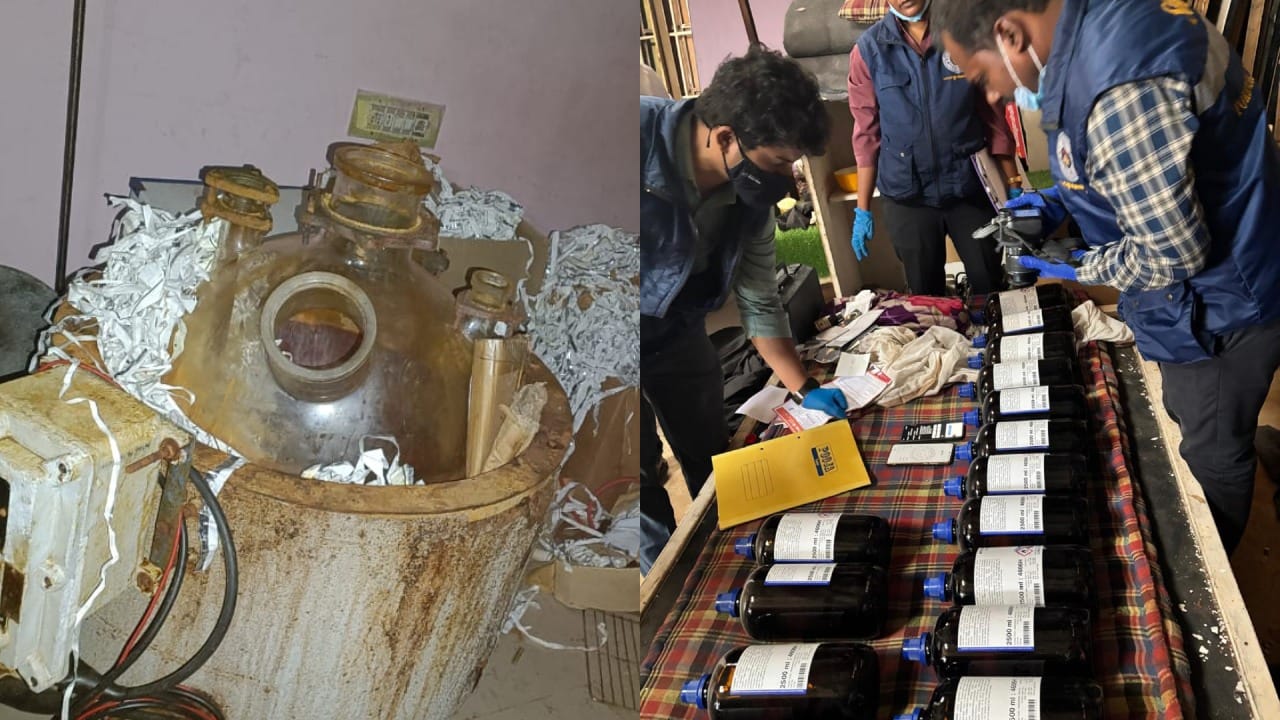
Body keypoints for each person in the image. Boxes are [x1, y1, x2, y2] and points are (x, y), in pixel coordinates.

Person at [934, 0, 1280, 553]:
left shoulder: (1117, 83)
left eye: (981, 77)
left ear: (1010, 35)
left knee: (1212, 452)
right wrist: (1059, 199)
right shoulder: (1113, 20)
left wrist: (1076, 263)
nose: (993, 95)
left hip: (1219, 310)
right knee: (1193, 415)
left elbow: (1172, 255)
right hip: (1224, 277)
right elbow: (1150, 159)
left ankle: (1215, 572)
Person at [640, 45, 846, 571]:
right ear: (726, 137)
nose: (786, 180)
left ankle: (728, 564)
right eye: (777, 162)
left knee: (713, 458)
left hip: (678, 325)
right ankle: (669, 585)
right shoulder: (630, 140)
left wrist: (805, 388)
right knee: (633, 489)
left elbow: (759, 297)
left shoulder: (749, 196)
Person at [847, 0, 1021, 296]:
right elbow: (866, 135)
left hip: (968, 189)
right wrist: (862, 210)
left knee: (990, 285)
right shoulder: (868, 50)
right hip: (908, 197)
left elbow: (994, 119)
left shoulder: (962, 35)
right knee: (926, 297)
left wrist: (1014, 185)